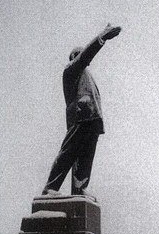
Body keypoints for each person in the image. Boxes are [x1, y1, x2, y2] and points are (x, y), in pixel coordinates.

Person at [42, 23, 122, 195]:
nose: (83, 57)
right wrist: (101, 37)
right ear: (74, 57)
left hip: (93, 119)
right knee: (68, 153)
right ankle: (51, 188)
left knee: (86, 157)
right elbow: (86, 55)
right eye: (79, 54)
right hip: (80, 117)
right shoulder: (71, 70)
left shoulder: (87, 75)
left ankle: (80, 188)